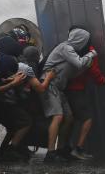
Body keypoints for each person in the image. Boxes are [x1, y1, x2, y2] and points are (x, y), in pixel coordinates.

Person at [41, 28, 96, 163]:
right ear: (80, 40)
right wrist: (91, 54)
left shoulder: (71, 51)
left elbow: (73, 71)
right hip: (50, 85)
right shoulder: (66, 48)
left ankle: (61, 149)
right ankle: (50, 153)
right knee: (58, 116)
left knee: (69, 118)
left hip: (59, 88)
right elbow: (78, 63)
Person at [65, 44, 105, 160]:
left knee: (72, 118)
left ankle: (65, 147)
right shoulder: (89, 50)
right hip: (77, 90)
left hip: (67, 88)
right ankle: (78, 149)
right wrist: (104, 81)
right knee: (87, 119)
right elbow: (93, 69)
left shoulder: (69, 47)